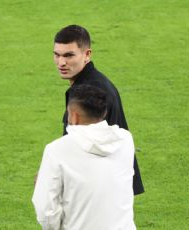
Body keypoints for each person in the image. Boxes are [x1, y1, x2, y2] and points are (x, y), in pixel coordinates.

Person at [53, 24, 144, 195]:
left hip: (100, 190)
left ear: (87, 54)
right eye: (57, 55)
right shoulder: (96, 82)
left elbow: (78, 147)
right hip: (114, 184)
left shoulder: (88, 92)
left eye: (69, 55)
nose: (61, 62)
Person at [32, 84, 136, 230]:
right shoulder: (125, 140)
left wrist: (42, 185)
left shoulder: (57, 149)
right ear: (104, 112)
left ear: (73, 116)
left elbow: (47, 212)